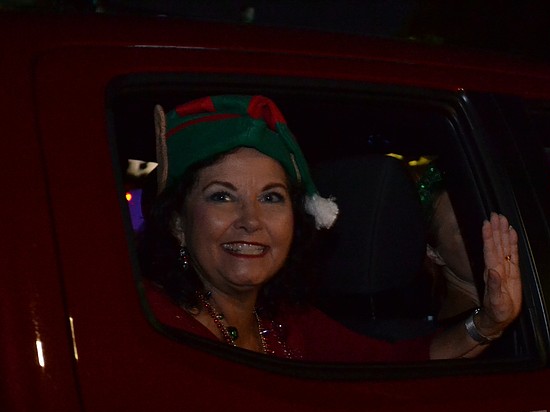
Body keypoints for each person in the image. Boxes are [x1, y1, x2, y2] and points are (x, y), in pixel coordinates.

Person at [138, 94, 521, 362]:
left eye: (271, 198)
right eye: (222, 197)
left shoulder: (288, 322)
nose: (250, 220)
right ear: (178, 223)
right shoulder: (146, 327)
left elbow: (398, 366)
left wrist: (489, 321)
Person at [416, 162, 480, 323]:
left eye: (481, 219)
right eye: (464, 230)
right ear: (433, 253)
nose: (484, 233)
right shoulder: (470, 328)